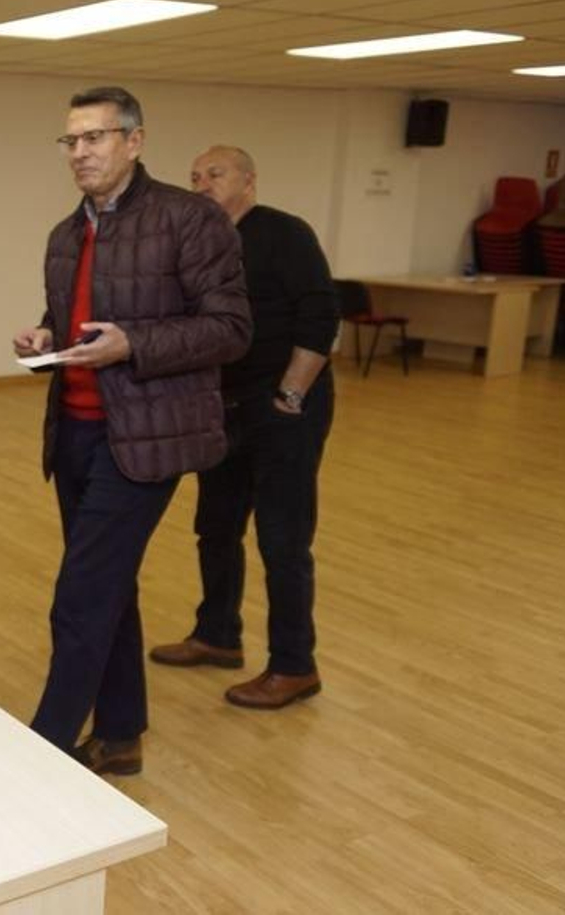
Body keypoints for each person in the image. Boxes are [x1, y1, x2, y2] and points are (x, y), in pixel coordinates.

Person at [13, 87, 250, 775]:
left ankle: (45, 751)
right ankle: (120, 735)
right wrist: (48, 337)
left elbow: (231, 328)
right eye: (71, 140)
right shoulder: (66, 234)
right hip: (77, 435)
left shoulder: (190, 219)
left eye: (96, 137)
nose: (81, 152)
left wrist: (132, 344)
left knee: (81, 596)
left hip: (147, 440)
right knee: (111, 587)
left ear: (135, 141)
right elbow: (81, 317)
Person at [149, 145, 338, 709]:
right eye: (194, 175)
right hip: (222, 408)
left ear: (249, 180)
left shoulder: (286, 234)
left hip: (285, 406)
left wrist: (290, 395)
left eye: (215, 173)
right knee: (217, 526)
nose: (201, 182)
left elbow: (320, 318)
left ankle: (294, 665)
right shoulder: (198, 242)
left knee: (282, 539)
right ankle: (217, 635)